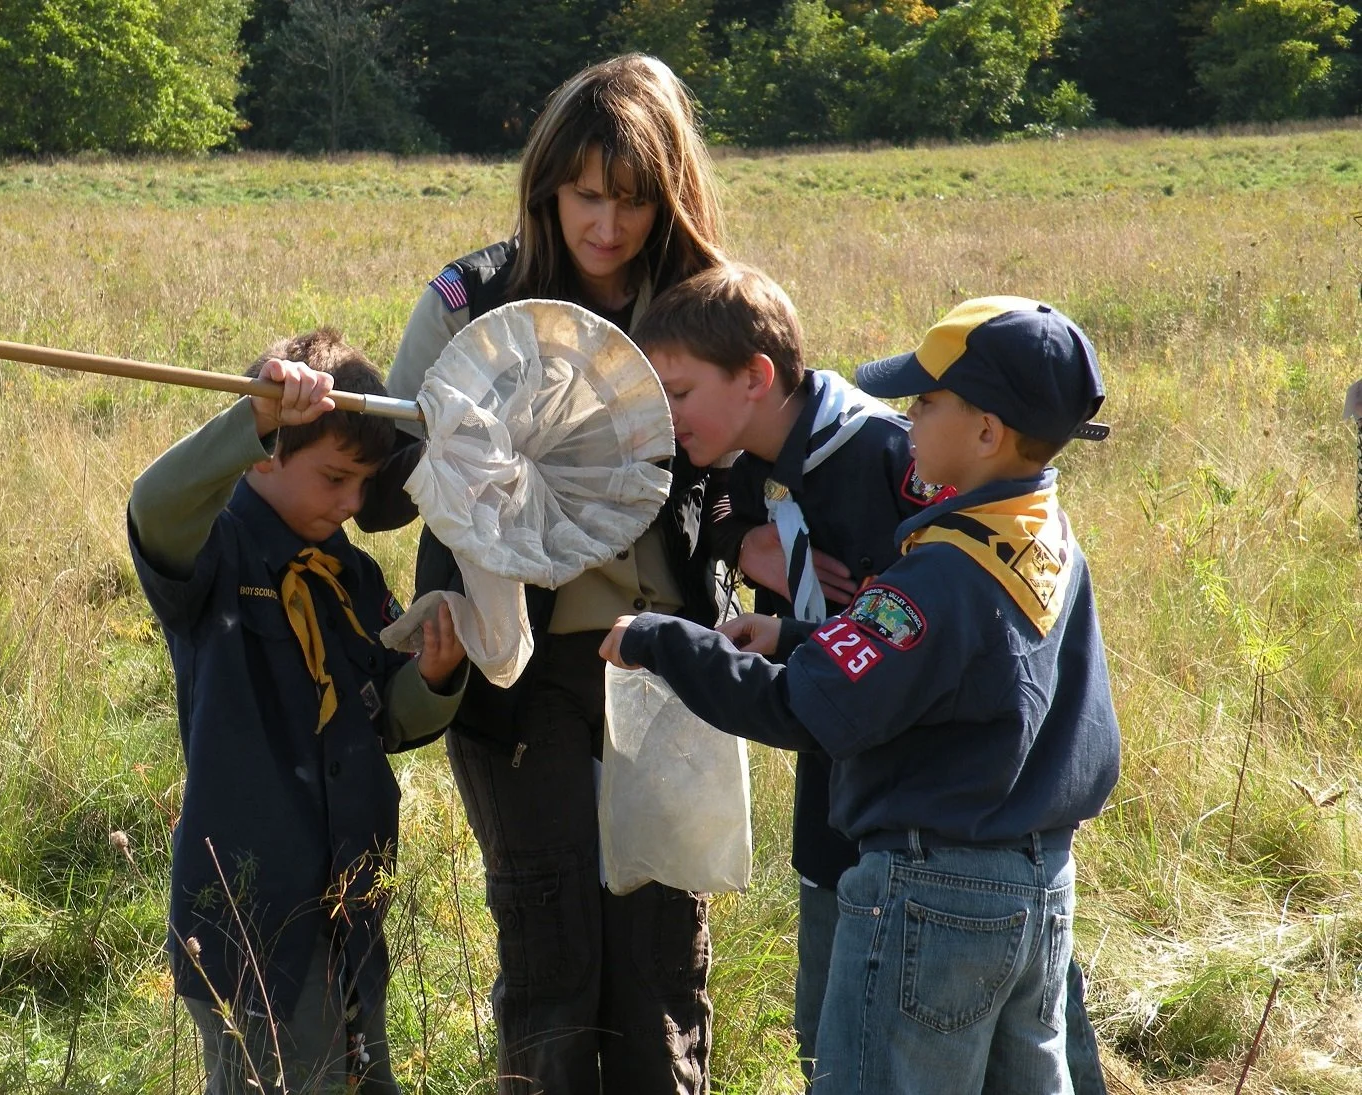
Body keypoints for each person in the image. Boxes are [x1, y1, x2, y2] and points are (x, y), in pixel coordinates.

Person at [601, 296, 1122, 1094]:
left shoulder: (938, 574)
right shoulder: (1040, 536)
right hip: (1042, 881)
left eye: (928, 402)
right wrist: (793, 635)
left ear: (987, 431)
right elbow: (948, 678)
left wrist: (662, 641)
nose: (907, 417)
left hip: (932, 893)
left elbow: (806, 707)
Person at [359, 55, 726, 1095]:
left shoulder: (700, 303)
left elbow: (753, 453)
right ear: (547, 187)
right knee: (552, 954)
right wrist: (391, 432)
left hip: (665, 669)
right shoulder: (472, 298)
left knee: (659, 966)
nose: (606, 225)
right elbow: (382, 494)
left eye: (633, 200)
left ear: (669, 195)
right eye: (585, 196)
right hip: (519, 679)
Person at [128, 329, 468, 1094]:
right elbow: (153, 508)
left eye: (364, 483)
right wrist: (251, 418)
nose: (353, 503)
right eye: (336, 478)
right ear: (264, 456)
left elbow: (387, 717)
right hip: (249, 914)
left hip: (346, 908)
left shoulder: (350, 573)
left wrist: (435, 676)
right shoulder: (214, 550)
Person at [632, 261, 945, 1083]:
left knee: (884, 1046)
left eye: (679, 391)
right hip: (831, 800)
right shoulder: (748, 450)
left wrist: (794, 632)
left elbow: (918, 644)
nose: (667, 413)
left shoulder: (887, 455)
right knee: (823, 1033)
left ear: (755, 377)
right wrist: (746, 546)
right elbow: (721, 501)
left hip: (912, 821)